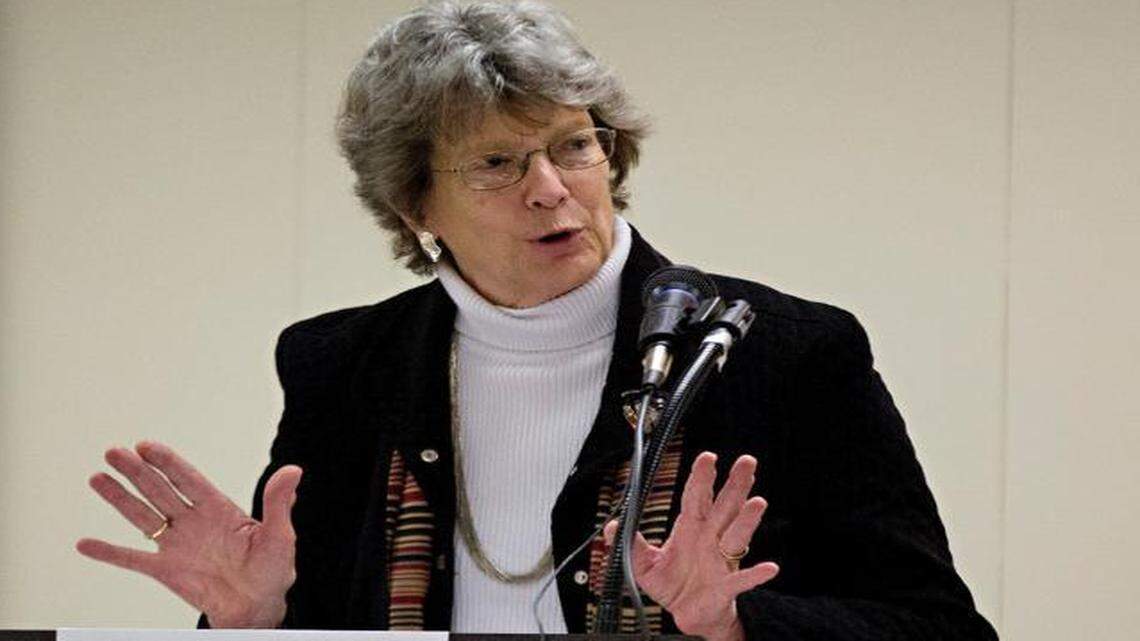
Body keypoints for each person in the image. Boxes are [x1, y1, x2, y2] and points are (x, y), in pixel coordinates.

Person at [77, 2, 999, 639]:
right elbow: (315, 614)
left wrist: (737, 621)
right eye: (497, 163)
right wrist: (250, 620)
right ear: (415, 207)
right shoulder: (345, 365)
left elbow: (939, 627)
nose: (552, 190)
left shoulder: (781, 353)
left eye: (573, 146)